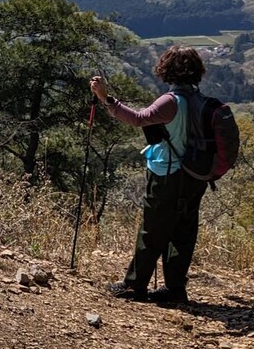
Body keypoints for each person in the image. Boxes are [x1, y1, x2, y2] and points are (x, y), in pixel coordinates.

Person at [89, 45, 210, 306]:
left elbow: (138, 119)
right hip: (196, 174)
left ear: (168, 69)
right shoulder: (200, 99)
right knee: (183, 231)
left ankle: (134, 285)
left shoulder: (171, 101)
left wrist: (106, 99)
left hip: (169, 173)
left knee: (152, 228)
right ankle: (175, 289)